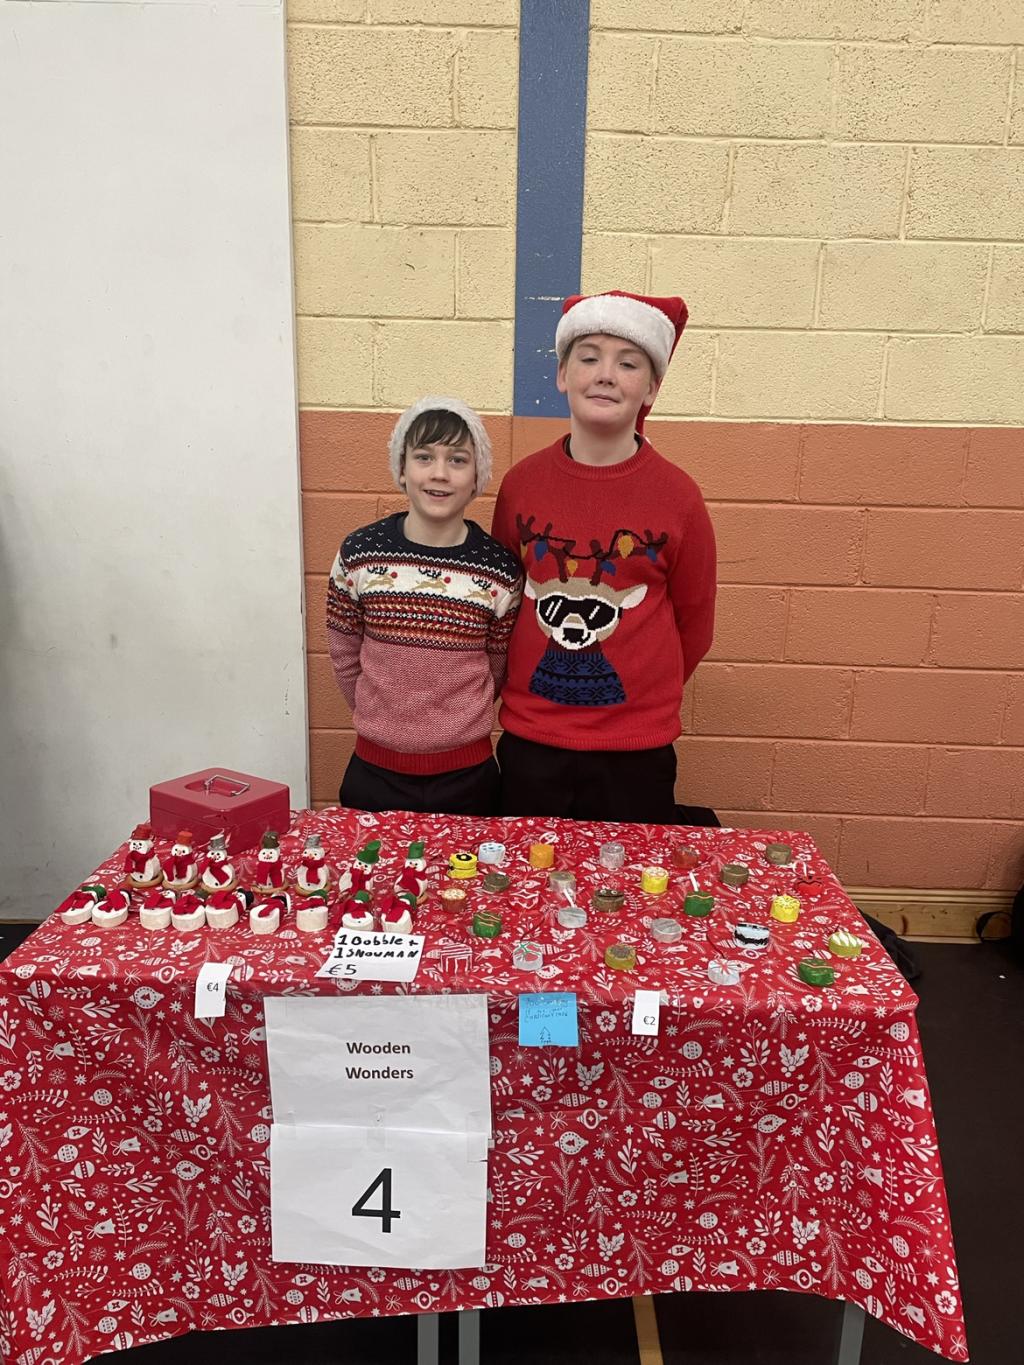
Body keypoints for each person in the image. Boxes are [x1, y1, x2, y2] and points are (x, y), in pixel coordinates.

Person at [491, 290, 716, 824]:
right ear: (562, 375)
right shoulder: (522, 485)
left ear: (652, 388)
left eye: (629, 363)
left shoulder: (678, 496)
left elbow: (694, 624)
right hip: (531, 744)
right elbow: (502, 603)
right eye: (589, 357)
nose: (606, 375)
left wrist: (640, 698)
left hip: (636, 753)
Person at [327, 396, 523, 816]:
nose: (439, 473)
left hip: (469, 779)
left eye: (457, 460)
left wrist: (453, 724)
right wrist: (382, 719)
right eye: (423, 457)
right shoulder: (359, 554)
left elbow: (497, 667)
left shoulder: (500, 569)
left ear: (477, 475)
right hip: (373, 775)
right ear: (402, 468)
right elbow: (344, 656)